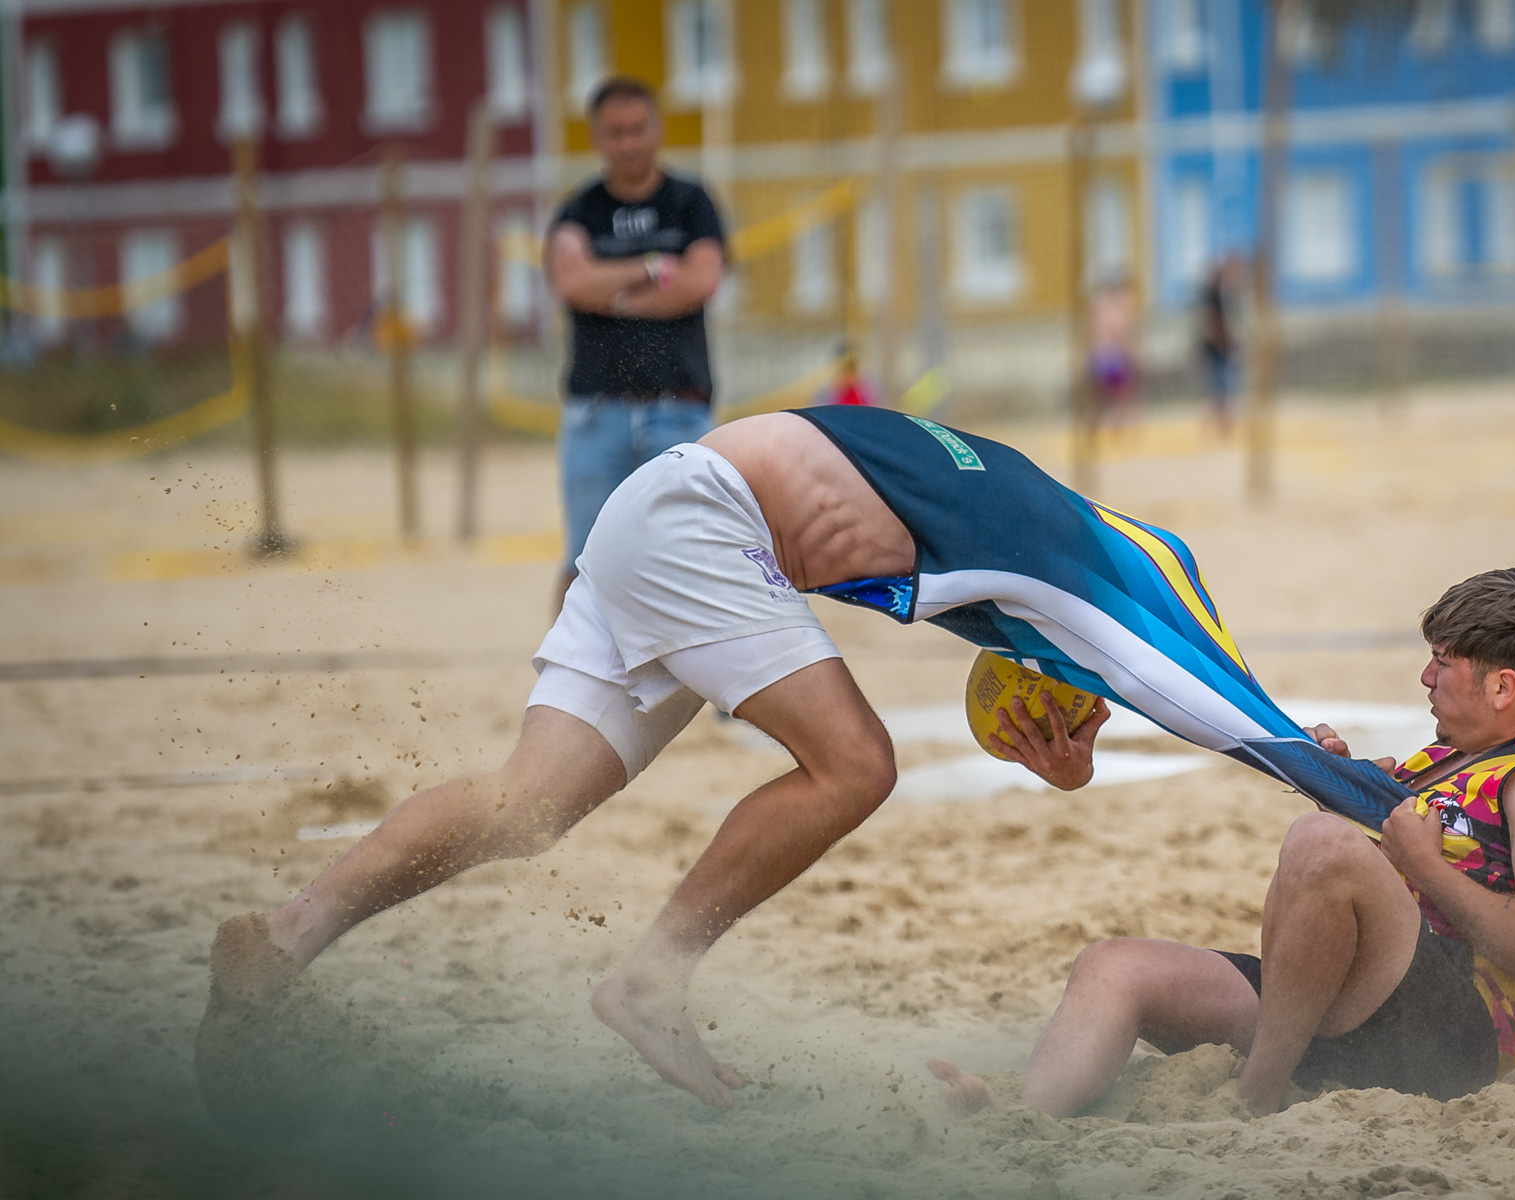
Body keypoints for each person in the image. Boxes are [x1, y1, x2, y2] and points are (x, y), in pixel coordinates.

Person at [203, 407, 1413, 1112]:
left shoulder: (1076, 529)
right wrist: (1344, 780)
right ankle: (650, 982)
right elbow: (1182, 686)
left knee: (526, 808)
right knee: (856, 766)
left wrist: (1178, 732)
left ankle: (287, 939)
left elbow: (1177, 656)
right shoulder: (1074, 567)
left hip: (656, 509)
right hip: (705, 523)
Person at [927, 566, 1515, 1118]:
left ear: (1503, 686)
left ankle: (1257, 1095)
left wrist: (1423, 866)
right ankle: (1017, 1116)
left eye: (1441, 663)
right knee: (1114, 966)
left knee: (1321, 844)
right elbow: (1391, 841)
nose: (1426, 678)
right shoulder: (1455, 755)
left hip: (1450, 1041)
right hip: (1348, 1010)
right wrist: (1338, 778)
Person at [544, 76, 727, 616]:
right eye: (614, 132)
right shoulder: (578, 210)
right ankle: (569, 690)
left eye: (637, 129)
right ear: (597, 138)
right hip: (596, 416)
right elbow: (570, 281)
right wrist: (651, 270)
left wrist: (611, 292)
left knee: (702, 556)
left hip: (681, 410)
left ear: (657, 130)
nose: (628, 143)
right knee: (584, 561)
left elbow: (701, 283)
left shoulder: (691, 202)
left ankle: (724, 692)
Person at [1197, 255, 1245, 438]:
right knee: (1220, 392)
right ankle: (1218, 427)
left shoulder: (1227, 295)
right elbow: (1209, 324)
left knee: (1224, 392)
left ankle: (1224, 429)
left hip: (1224, 349)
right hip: (1216, 350)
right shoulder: (1213, 296)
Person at [1086, 276, 1140, 431]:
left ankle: (1106, 429)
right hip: (1112, 355)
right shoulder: (1116, 309)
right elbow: (1120, 334)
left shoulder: (1101, 307)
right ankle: (1115, 430)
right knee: (1120, 396)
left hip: (1103, 355)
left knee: (1107, 399)